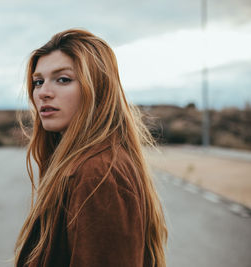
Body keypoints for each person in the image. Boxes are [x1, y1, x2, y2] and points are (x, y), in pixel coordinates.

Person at [15, 29, 167, 267]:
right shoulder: (91, 162)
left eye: (63, 79)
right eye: (38, 82)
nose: (43, 92)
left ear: (98, 88)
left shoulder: (97, 173)